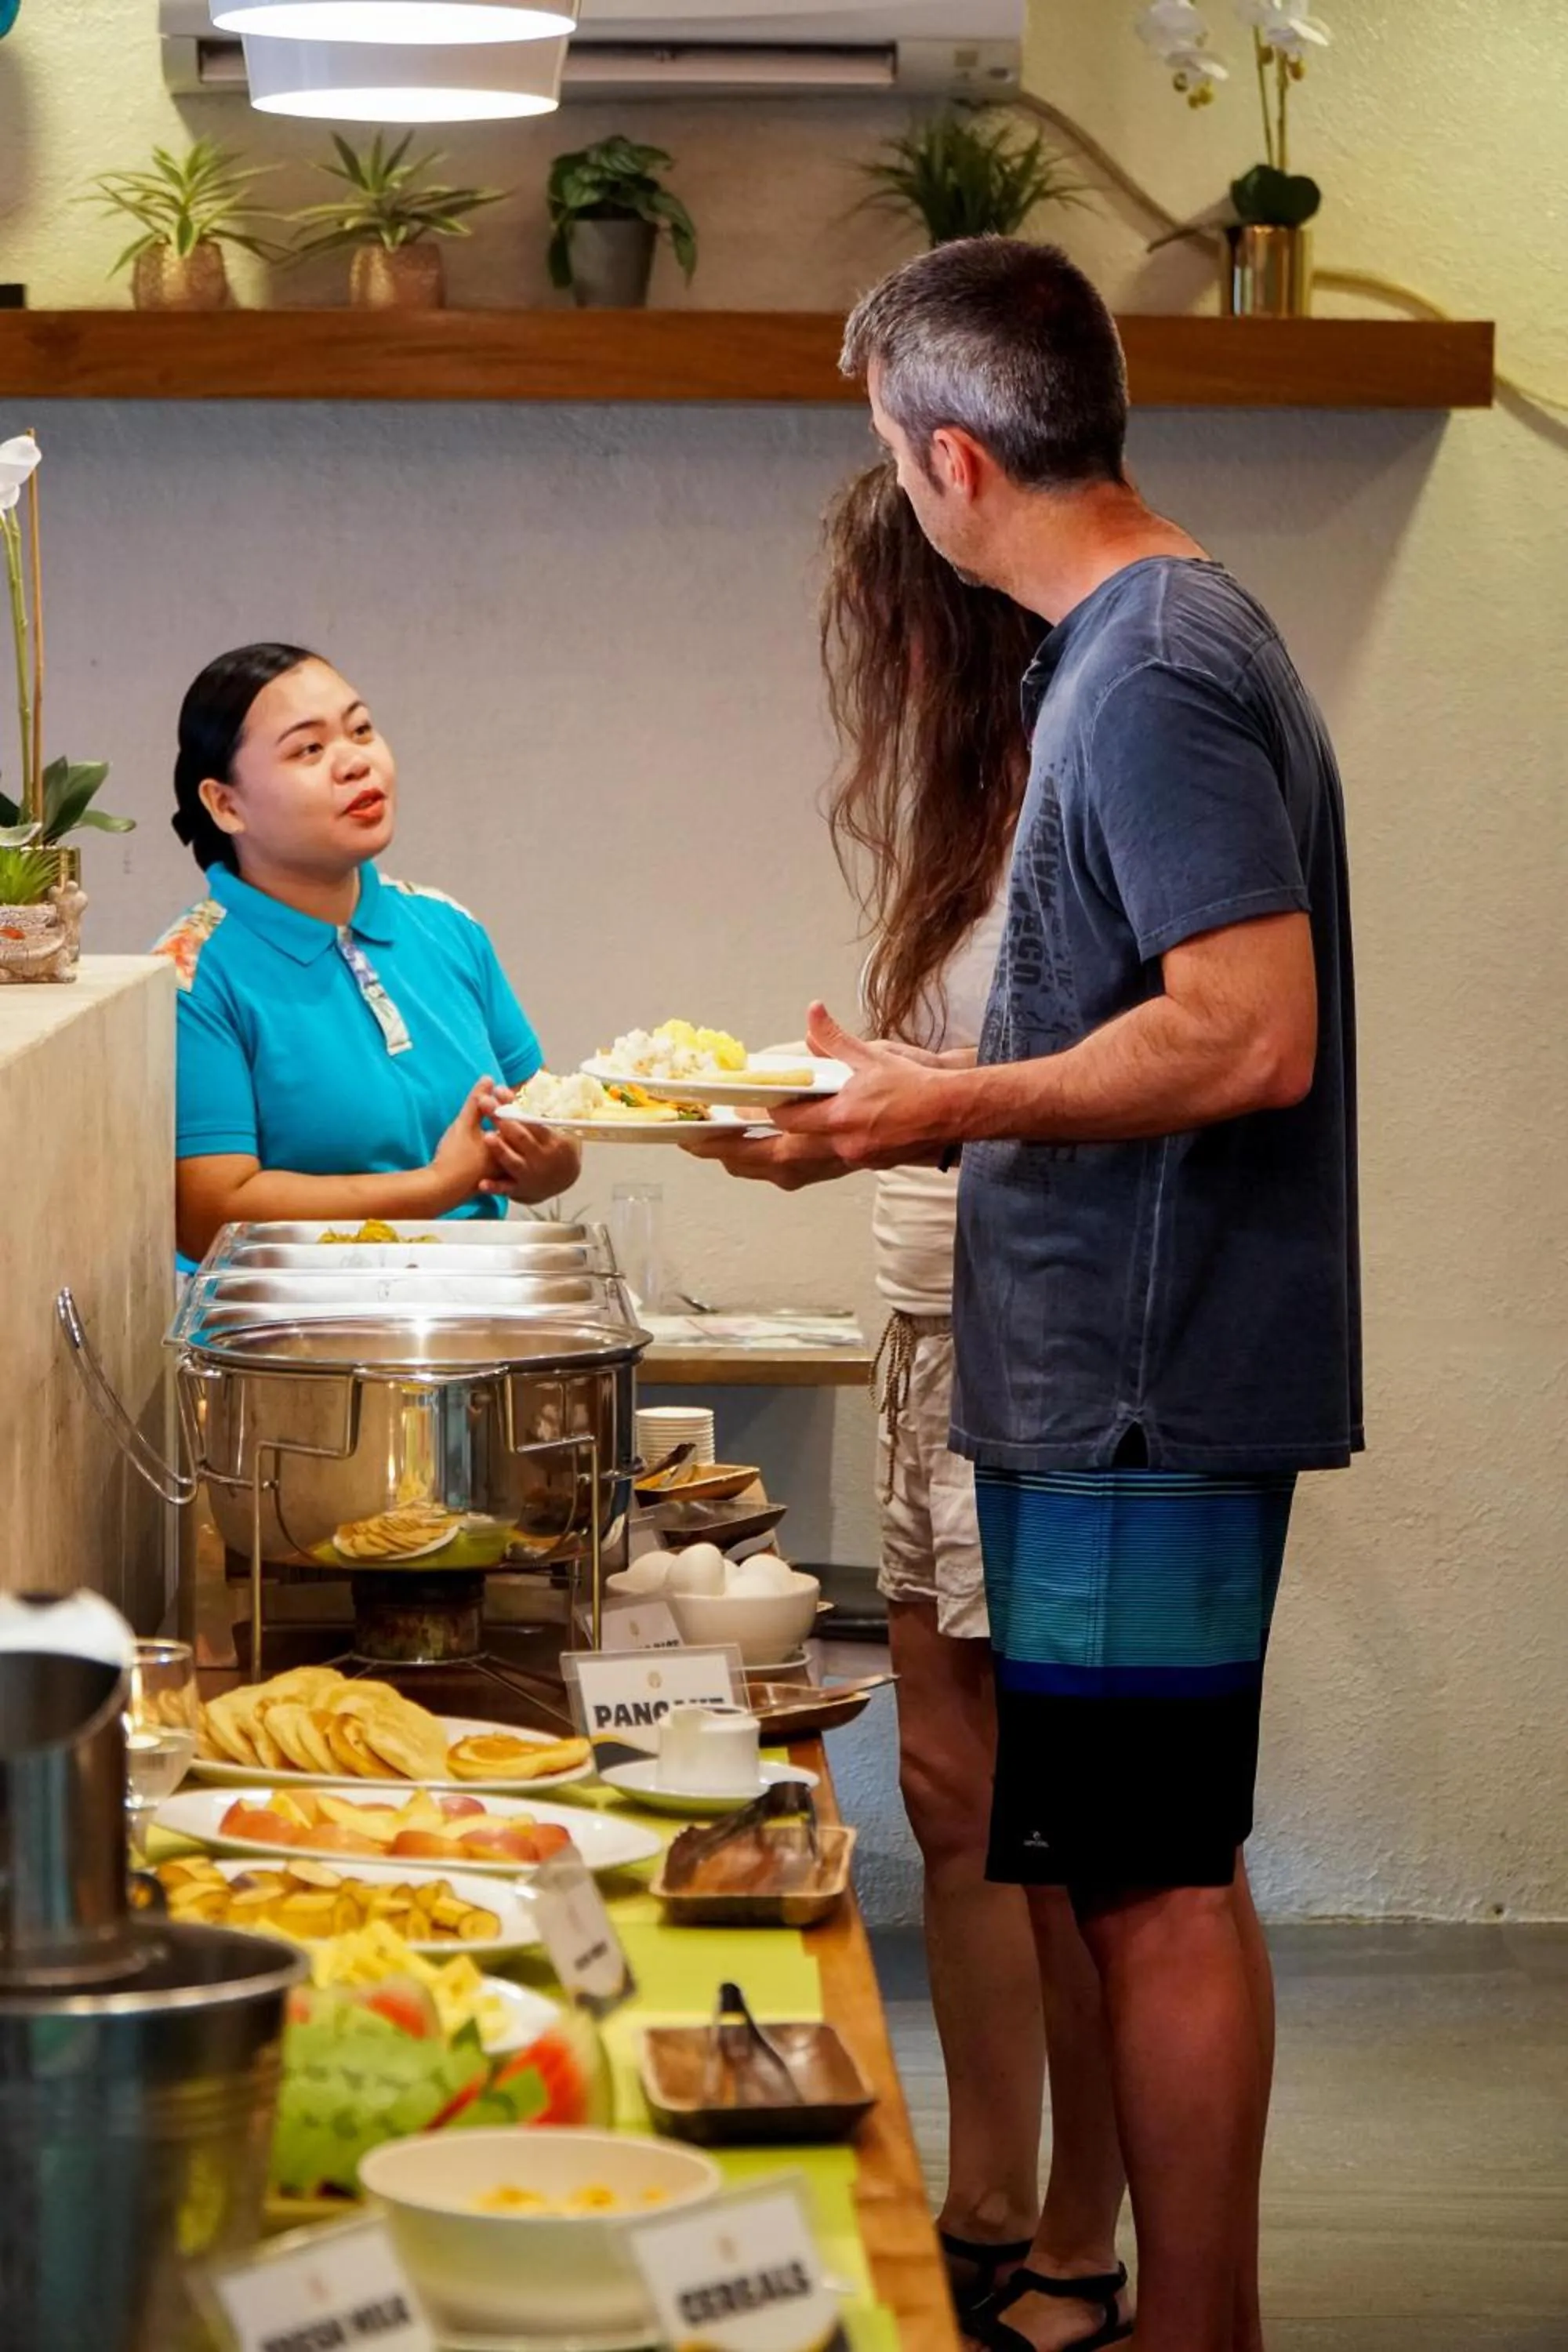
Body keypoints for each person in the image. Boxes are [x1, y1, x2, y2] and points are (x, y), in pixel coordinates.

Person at [694, 238, 1360, 2352]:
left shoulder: (1153, 662)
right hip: (1103, 1376)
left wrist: (930, 1106)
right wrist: (911, 1099)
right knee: (1128, 1870)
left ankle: (1201, 2330)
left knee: (1156, 1889)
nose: (895, 494)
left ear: (956, 457)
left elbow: (1252, 1030)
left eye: (892, 459)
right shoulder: (1116, 649)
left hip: (1154, 1380)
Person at [821, 464, 1131, 2347]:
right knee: (945, 1790)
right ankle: (983, 2185)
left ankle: (1088, 2238)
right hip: (920, 1307)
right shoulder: (959, 797)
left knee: (1069, 1821)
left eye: (891, 622)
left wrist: (918, 1094)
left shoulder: (1102, 740)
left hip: (1048, 1336)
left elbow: (1145, 1060)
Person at [155, 642, 579, 1264]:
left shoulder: (446, 924)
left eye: (361, 730)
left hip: (471, 1305)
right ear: (226, 804)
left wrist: (544, 1163)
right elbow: (208, 1213)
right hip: (290, 1332)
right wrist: (435, 1187)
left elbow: (553, 1125)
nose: (355, 763)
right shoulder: (191, 972)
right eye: (309, 748)